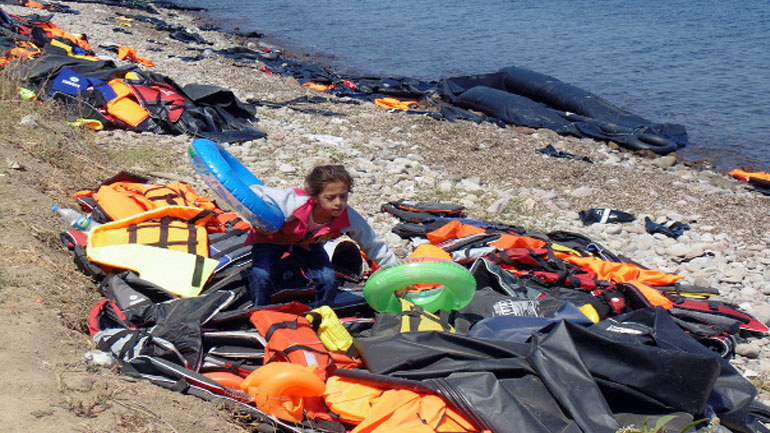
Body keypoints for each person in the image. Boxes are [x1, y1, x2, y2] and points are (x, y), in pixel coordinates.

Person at [244, 164, 400, 306]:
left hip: (306, 243)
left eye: (343, 196)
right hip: (272, 239)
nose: (338, 203)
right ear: (315, 197)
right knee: (261, 274)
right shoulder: (294, 202)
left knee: (328, 279)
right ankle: (259, 309)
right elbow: (256, 191)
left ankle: (322, 311)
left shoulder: (349, 217)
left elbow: (372, 244)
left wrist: (397, 275)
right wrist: (257, 220)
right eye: (330, 197)